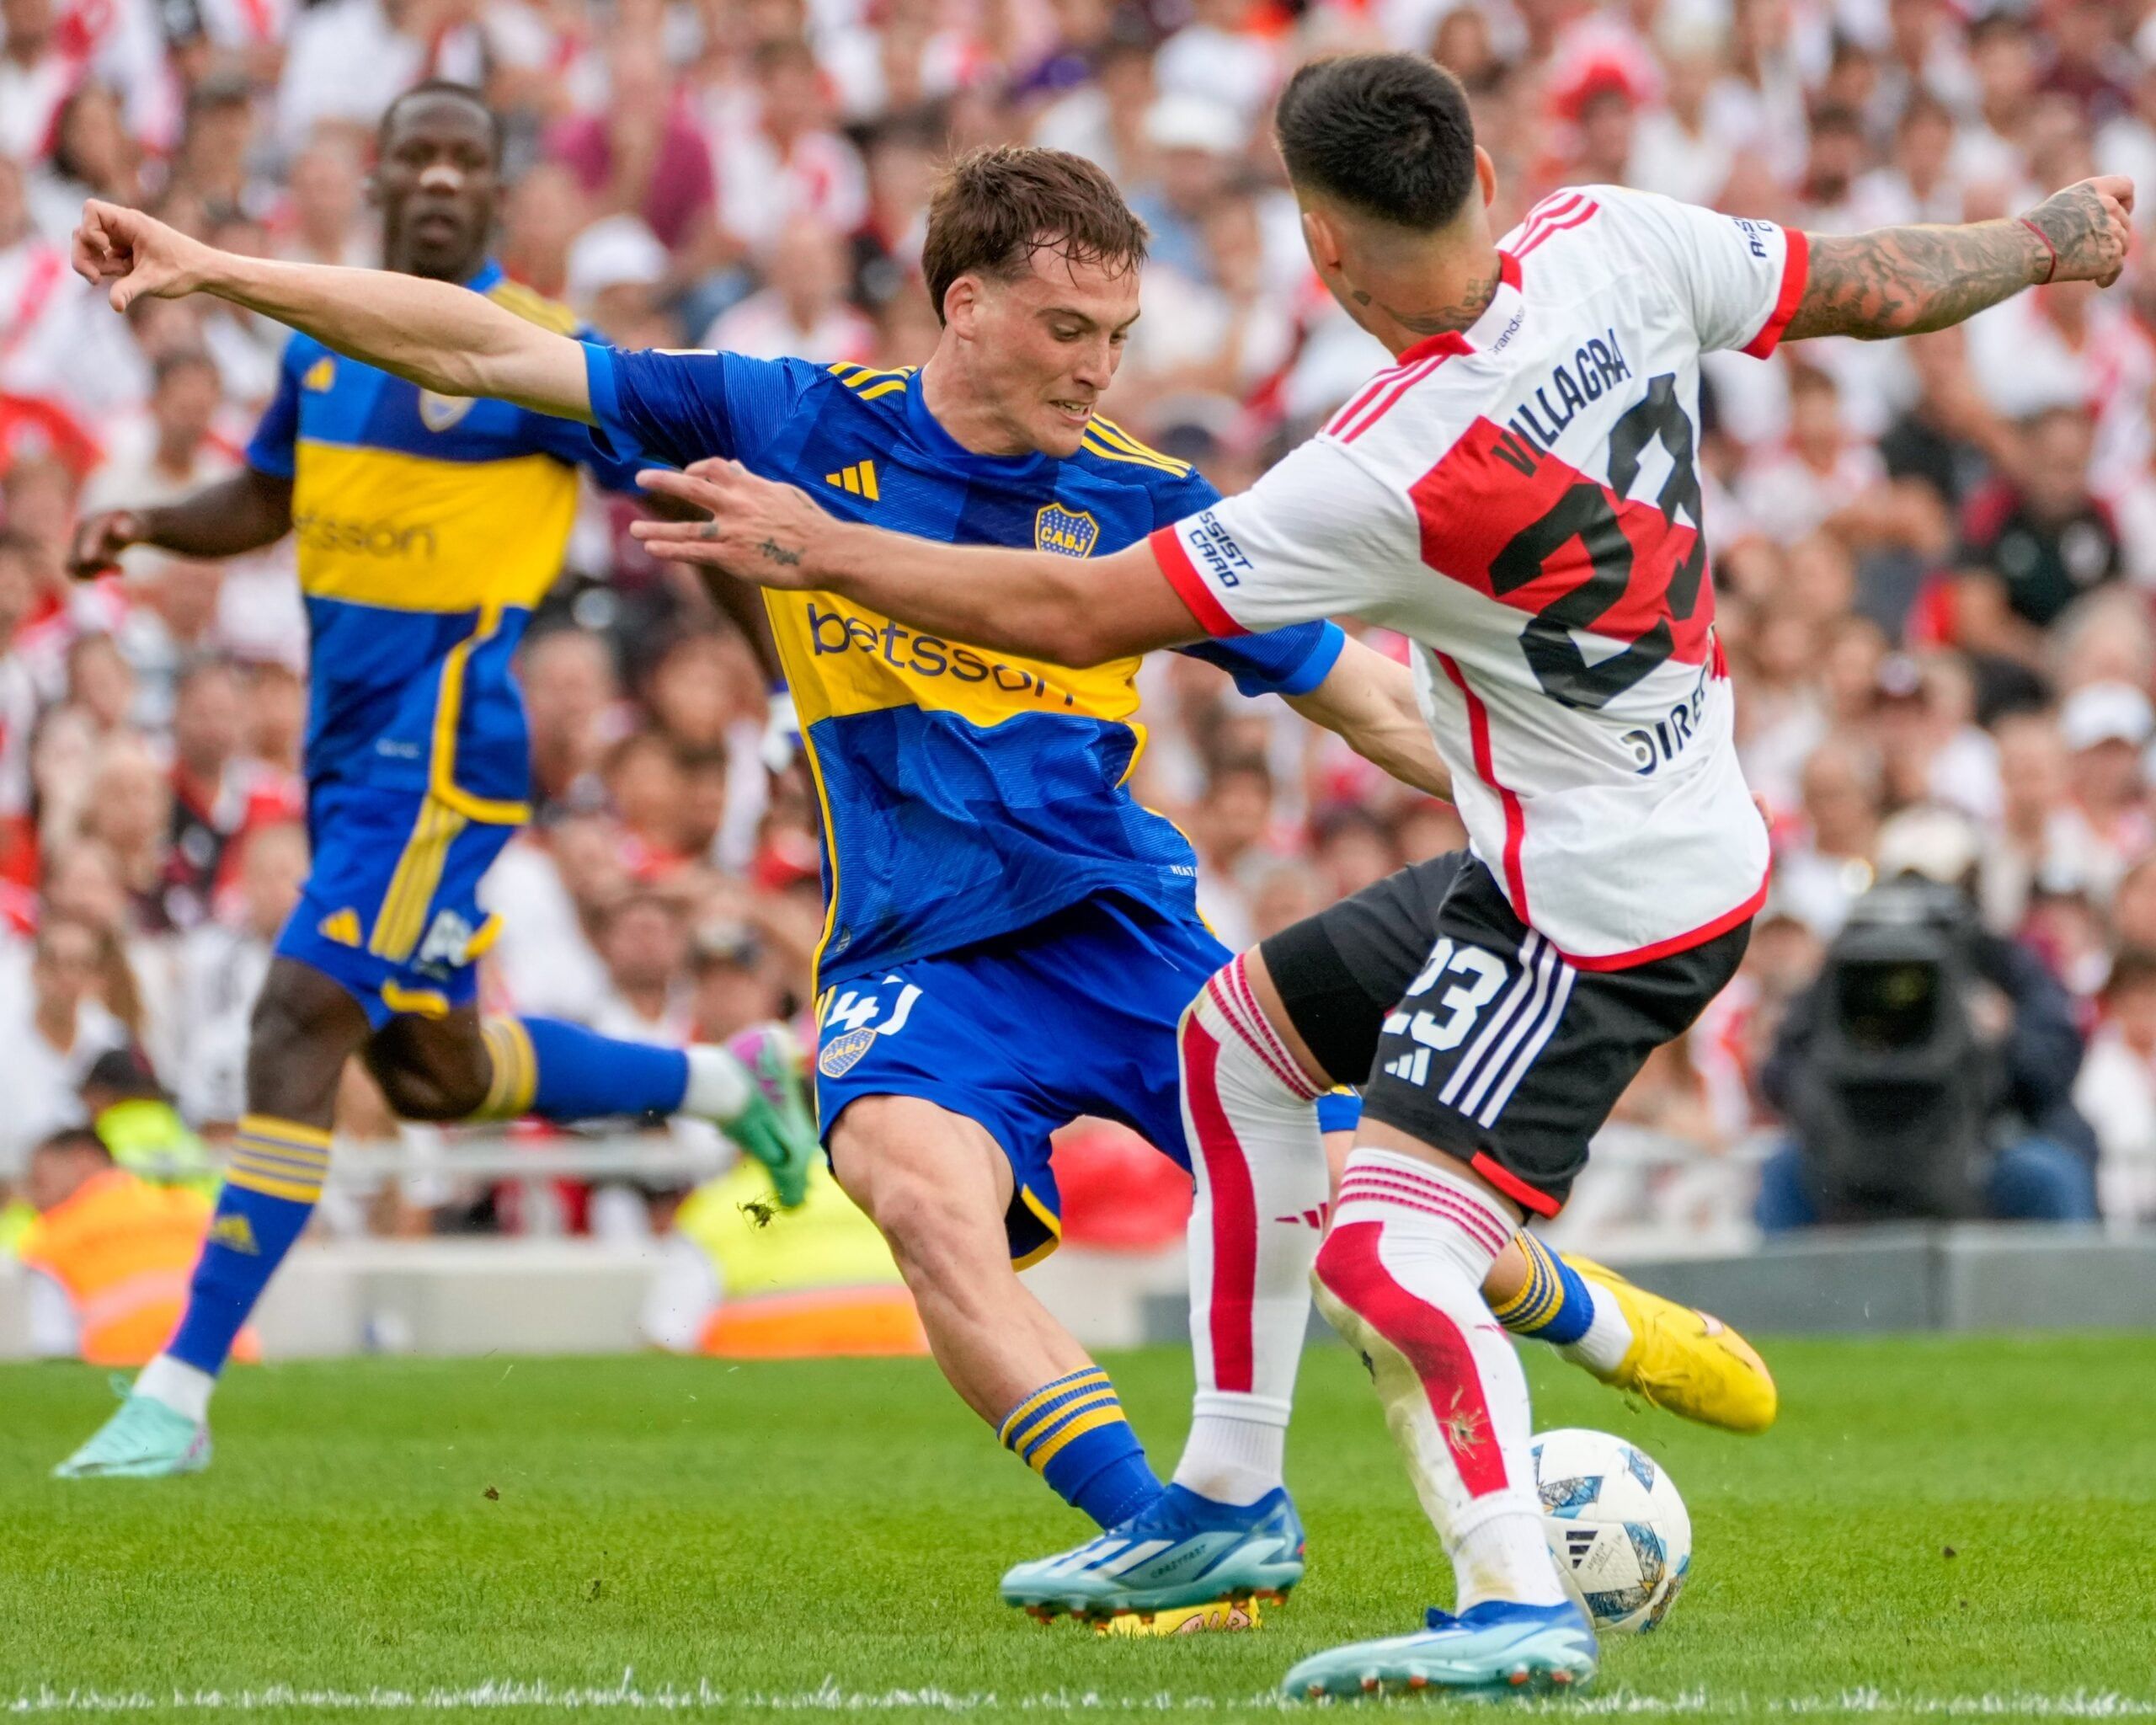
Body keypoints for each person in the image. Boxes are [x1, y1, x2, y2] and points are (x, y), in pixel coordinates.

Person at [610, 51, 2132, 1699]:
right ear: (1482, 175)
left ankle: (1515, 1602)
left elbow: (1076, 611)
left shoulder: (1376, 469)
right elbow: (1870, 282)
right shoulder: (1614, 241)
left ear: (1322, 251)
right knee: (1235, 1042)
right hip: (1628, 835)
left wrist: (818, 547)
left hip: (1586, 907)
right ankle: (1223, 1498)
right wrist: (2046, 238)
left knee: (1385, 1251)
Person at [62, 141, 1742, 1587]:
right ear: (964, 304)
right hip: (913, 951)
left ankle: (1569, 1301)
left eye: (1118, 335)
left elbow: (1363, 697)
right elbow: (489, 344)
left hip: (1122, 934)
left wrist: (1576, 812)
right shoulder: (796, 421)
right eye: (1068, 330)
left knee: (1365, 1238)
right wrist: (217, 268)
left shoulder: (1145, 502)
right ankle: (1171, 1535)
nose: (1097, 368)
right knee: (916, 1194)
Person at [51, 83, 819, 1483]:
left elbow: (689, 489)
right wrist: (148, 524)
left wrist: (779, 692)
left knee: (296, 1021)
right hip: (346, 751)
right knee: (430, 1068)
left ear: (497, 189)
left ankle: (178, 1385)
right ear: (383, 178)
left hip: (447, 743)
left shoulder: (530, 349)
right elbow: (269, 496)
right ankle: (729, 1079)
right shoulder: (329, 334)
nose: (444, 179)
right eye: (421, 156)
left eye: (470, 159)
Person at [17, 1128, 259, 1368]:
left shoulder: (53, 1238)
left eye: (40, 1181)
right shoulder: (192, 1207)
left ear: (84, 1159)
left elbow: (55, 1349)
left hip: (125, 1374)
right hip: (232, 1366)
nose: (33, 1199)